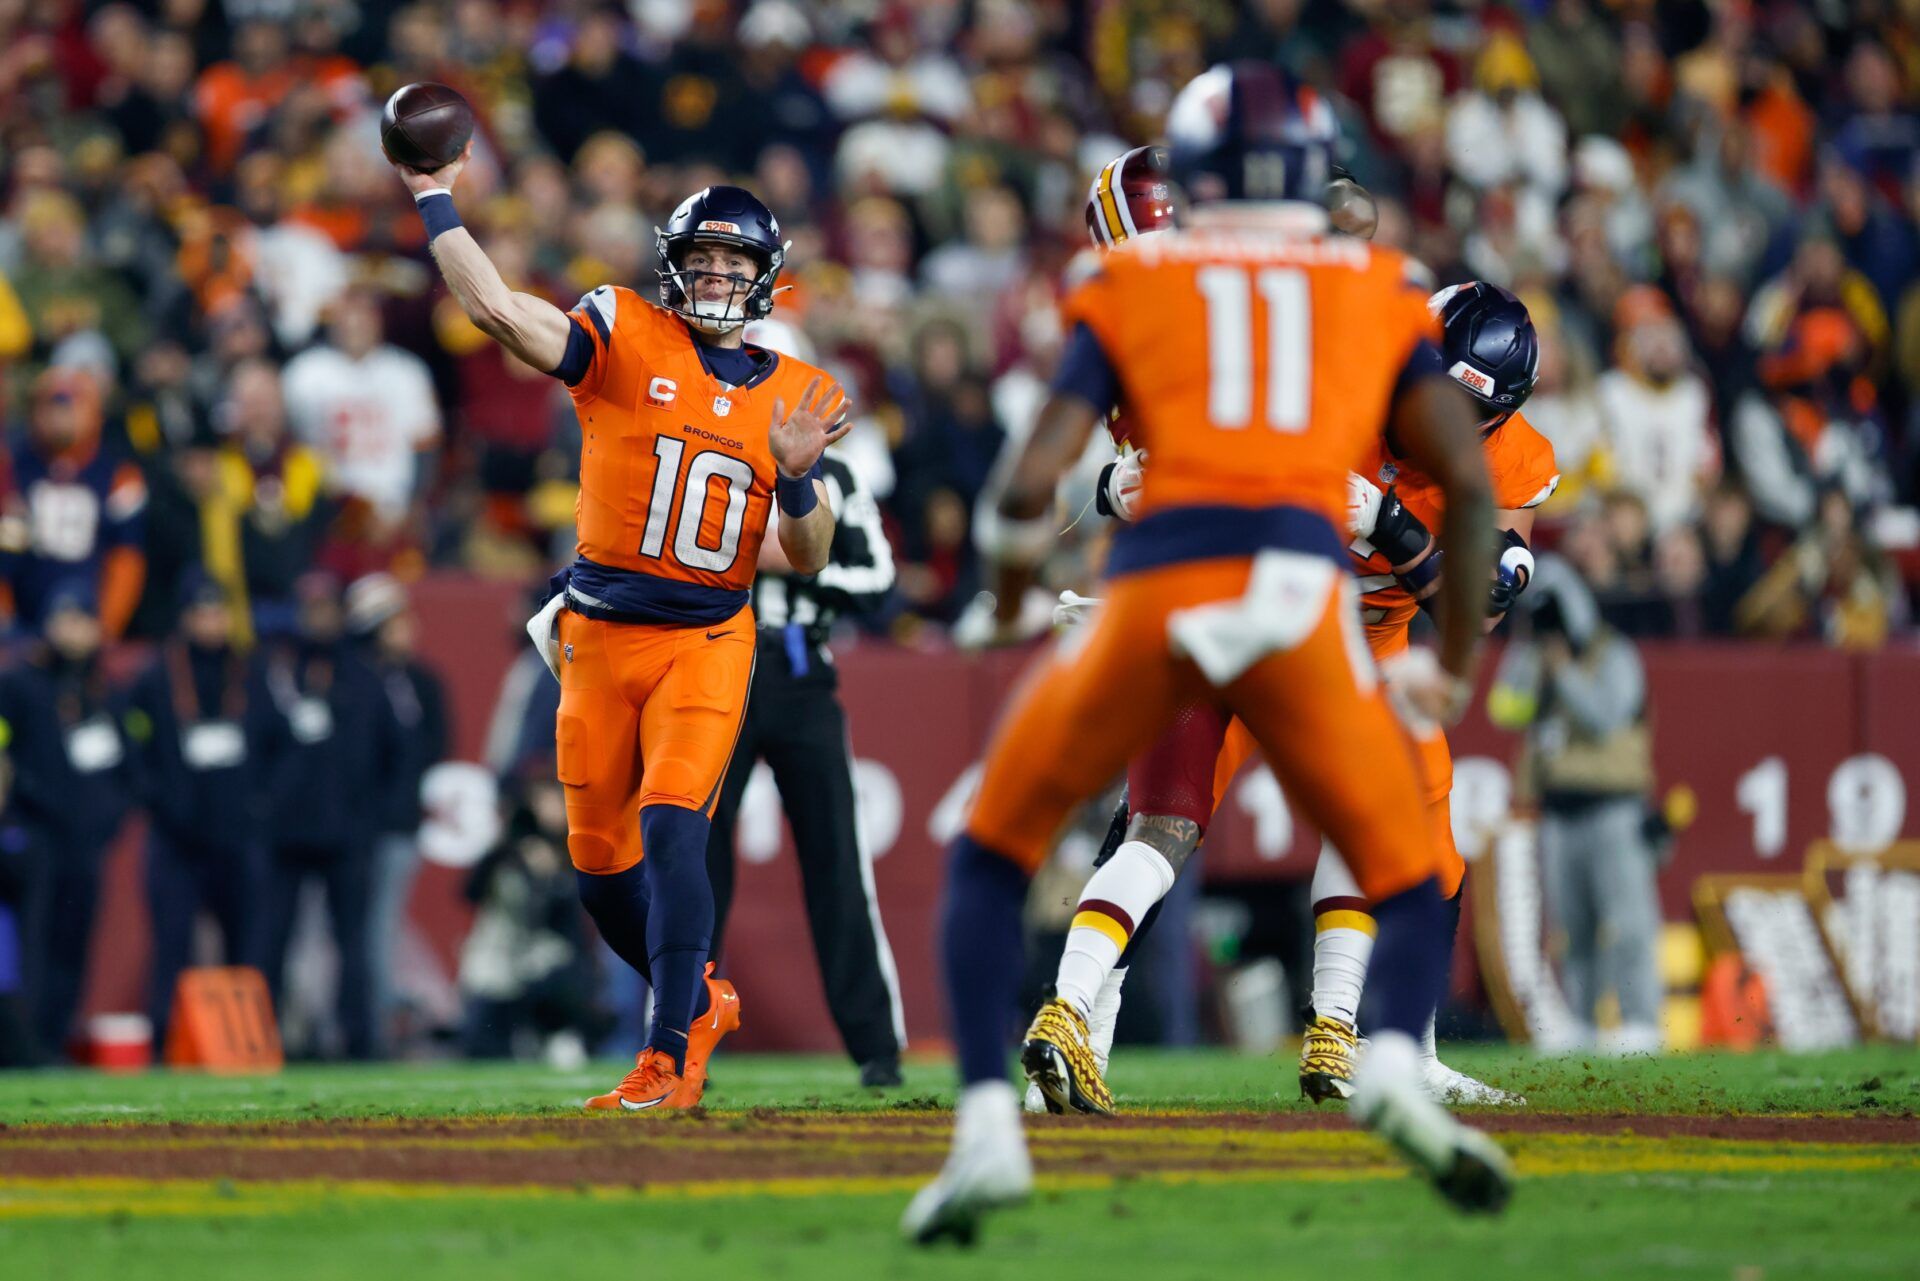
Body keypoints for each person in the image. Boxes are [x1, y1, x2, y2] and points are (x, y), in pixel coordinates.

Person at [904, 63, 1507, 1244]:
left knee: (994, 855)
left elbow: (1030, 483)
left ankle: (988, 1130)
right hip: (1301, 593)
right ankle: (1385, 1064)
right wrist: (1444, 634)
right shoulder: (1371, 287)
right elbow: (1470, 493)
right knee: (1408, 854)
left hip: (1164, 588)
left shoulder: (1129, 282)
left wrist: (1018, 591)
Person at [1028, 152, 1548, 1113]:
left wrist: (1390, 527)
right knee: (1171, 820)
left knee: (1382, 820)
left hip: (1344, 635)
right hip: (1265, 615)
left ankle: (1369, 1037)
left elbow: (1475, 599)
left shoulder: (1485, 448)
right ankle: (1128, 1023)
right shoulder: (1321, 364)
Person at [395, 141, 850, 1111]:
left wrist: (800, 477)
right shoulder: (621, 330)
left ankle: (662, 1059)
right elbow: (496, 310)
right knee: (602, 876)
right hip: (598, 636)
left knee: (675, 828)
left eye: (735, 263)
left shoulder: (798, 394)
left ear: (765, 276)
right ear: (674, 265)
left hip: (707, 639)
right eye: (705, 260)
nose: (717, 276)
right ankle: (702, 994)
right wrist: (434, 195)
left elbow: (810, 557)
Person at [705, 442, 905, 1088]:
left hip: (800, 669)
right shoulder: (707, 454)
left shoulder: (837, 474)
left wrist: (800, 561)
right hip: (713, 671)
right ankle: (678, 1037)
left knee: (838, 862)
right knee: (695, 861)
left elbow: (878, 578)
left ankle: (878, 1047)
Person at [1490, 557, 1662, 1053]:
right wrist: (1526, 649)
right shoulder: (1538, 657)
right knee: (1573, 930)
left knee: (1627, 923)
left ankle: (1639, 1022)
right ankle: (1582, 1022)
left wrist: (1563, 672)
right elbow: (1504, 709)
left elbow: (1605, 717)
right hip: (1559, 814)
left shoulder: (1615, 655)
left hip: (1614, 809)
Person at [255, 574, 399, 1060]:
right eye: (310, 608)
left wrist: (371, 816)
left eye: (326, 609)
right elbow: (256, 748)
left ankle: (357, 1040)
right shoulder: (276, 674)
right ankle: (264, 1038)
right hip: (286, 834)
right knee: (273, 938)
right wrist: (267, 807)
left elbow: (391, 755)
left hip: (348, 833)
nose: (318, 619)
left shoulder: (364, 678)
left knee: (353, 942)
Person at [125, 570, 266, 1046]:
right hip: (176, 837)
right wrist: (163, 801)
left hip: (238, 833)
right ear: (184, 617)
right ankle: (167, 1041)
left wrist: (258, 804)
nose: (210, 621)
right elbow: (134, 747)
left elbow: (280, 746)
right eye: (200, 612)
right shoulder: (155, 677)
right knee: (172, 945)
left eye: (217, 611)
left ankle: (245, 1041)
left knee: (244, 946)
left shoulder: (251, 671)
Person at [0, 584, 135, 1058]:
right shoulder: (20, 685)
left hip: (89, 839)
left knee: (74, 943)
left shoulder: (105, 689)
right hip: (34, 837)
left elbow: (129, 764)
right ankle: (25, 1043)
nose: (75, 632)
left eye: (84, 621)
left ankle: (53, 1041)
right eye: (67, 620)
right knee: (33, 943)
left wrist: (111, 816)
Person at [345, 573, 449, 1055]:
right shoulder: (355, 679)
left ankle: (379, 1024)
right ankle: (365, 1023)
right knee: (362, 930)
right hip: (357, 826)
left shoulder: (421, 682)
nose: (407, 627)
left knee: (380, 927)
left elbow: (433, 746)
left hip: (396, 823)